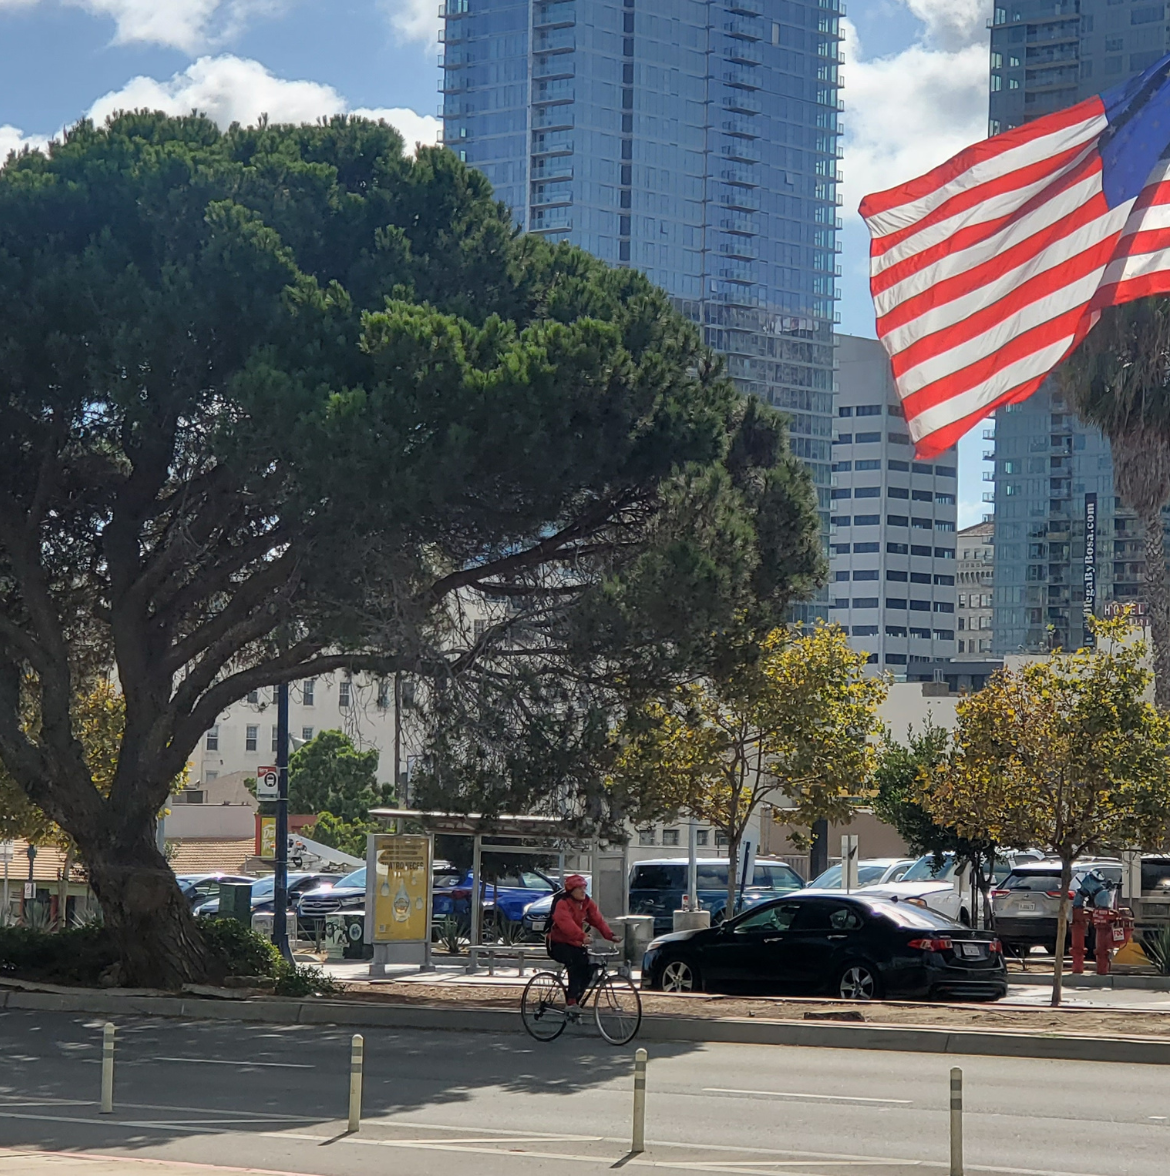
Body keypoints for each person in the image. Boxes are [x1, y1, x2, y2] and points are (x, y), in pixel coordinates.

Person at [547, 874, 618, 1012]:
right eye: (579, 888)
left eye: (584, 888)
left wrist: (610, 935)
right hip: (557, 943)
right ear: (571, 891)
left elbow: (598, 920)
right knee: (575, 963)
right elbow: (565, 924)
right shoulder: (562, 903)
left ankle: (575, 1001)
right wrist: (581, 936)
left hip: (576, 943)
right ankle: (571, 1002)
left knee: (588, 968)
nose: (582, 891)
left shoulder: (586, 902)